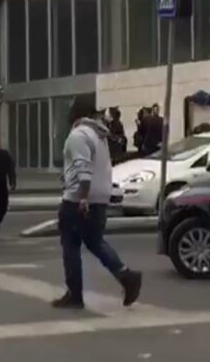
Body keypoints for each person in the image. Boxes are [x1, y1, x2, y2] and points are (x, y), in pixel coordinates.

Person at [52, 96, 142, 310]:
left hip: (78, 199)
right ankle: (126, 275)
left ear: (75, 113)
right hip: (100, 196)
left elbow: (84, 170)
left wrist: (82, 197)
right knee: (95, 241)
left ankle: (75, 295)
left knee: (70, 246)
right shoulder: (98, 135)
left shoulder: (78, 135)